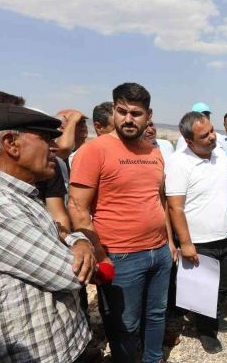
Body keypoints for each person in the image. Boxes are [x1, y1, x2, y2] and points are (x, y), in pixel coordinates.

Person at [0, 103, 94, 362]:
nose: (54, 147)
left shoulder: (12, 191)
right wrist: (80, 244)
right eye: (45, 138)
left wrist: (79, 241)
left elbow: (57, 232)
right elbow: (71, 274)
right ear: (11, 144)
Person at [68, 82, 176, 363]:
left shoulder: (154, 152)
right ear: (114, 110)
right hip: (120, 256)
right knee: (124, 325)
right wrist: (100, 255)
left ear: (148, 115)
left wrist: (169, 243)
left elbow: (160, 200)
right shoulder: (95, 150)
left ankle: (154, 358)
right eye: (122, 111)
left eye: (136, 113)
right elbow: (77, 207)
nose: (128, 119)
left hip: (159, 252)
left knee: (157, 314)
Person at [165, 111, 227, 354]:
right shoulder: (179, 163)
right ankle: (206, 330)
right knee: (202, 289)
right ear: (189, 141)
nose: (212, 137)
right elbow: (175, 207)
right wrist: (186, 242)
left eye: (211, 130)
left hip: (225, 235)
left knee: (226, 282)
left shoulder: (219, 155)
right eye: (204, 135)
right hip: (198, 241)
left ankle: (210, 317)